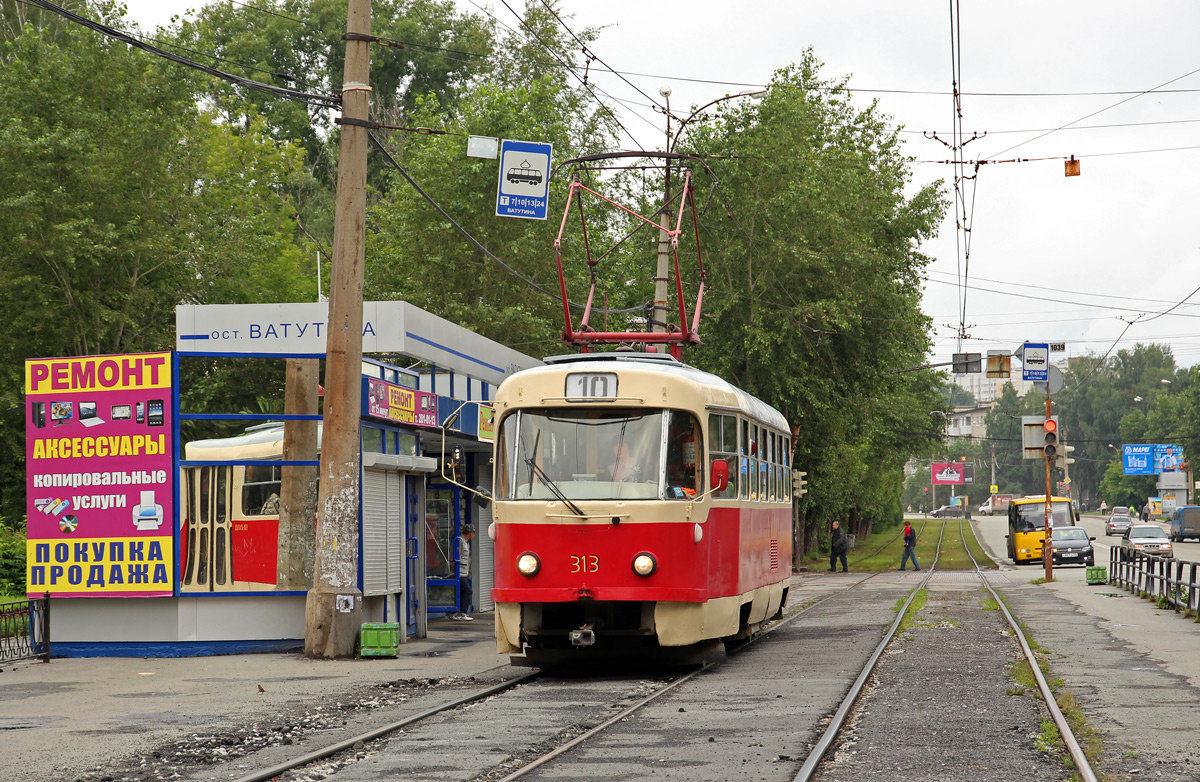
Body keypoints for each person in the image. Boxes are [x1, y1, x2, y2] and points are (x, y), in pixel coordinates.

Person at [449, 525, 475, 621]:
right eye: (473, 533)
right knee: (468, 591)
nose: (473, 535)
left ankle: (453, 612)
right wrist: (454, 569)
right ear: (469, 533)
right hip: (459, 572)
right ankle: (462, 613)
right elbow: (455, 555)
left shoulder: (466, 542)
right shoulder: (460, 541)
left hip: (464, 572)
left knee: (460, 592)